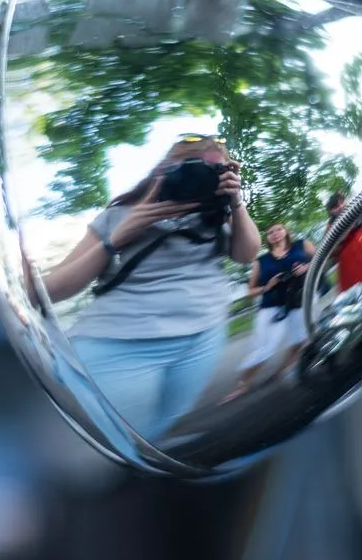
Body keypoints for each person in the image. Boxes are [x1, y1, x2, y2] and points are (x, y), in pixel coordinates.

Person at [27, 134, 261, 440]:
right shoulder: (119, 215)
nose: (195, 177)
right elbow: (52, 289)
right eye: (186, 166)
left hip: (204, 337)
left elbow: (247, 254)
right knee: (97, 444)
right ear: (162, 169)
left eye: (210, 170)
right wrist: (117, 238)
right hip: (119, 343)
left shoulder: (219, 216)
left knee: (158, 431)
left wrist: (235, 203)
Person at [224, 223, 315, 401]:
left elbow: (321, 258)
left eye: (278, 229)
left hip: (298, 301)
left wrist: (306, 267)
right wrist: (267, 286)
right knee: (264, 348)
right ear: (267, 238)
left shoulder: (301, 245)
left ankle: (284, 369)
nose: (275, 233)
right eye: (270, 232)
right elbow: (250, 292)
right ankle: (243, 384)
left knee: (300, 338)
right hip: (271, 307)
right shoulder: (261, 261)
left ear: (286, 231)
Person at [325, 191, 362, 291]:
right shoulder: (331, 227)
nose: (341, 207)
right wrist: (349, 224)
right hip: (352, 265)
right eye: (336, 206)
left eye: (342, 202)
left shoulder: (357, 210)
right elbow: (331, 249)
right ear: (331, 211)